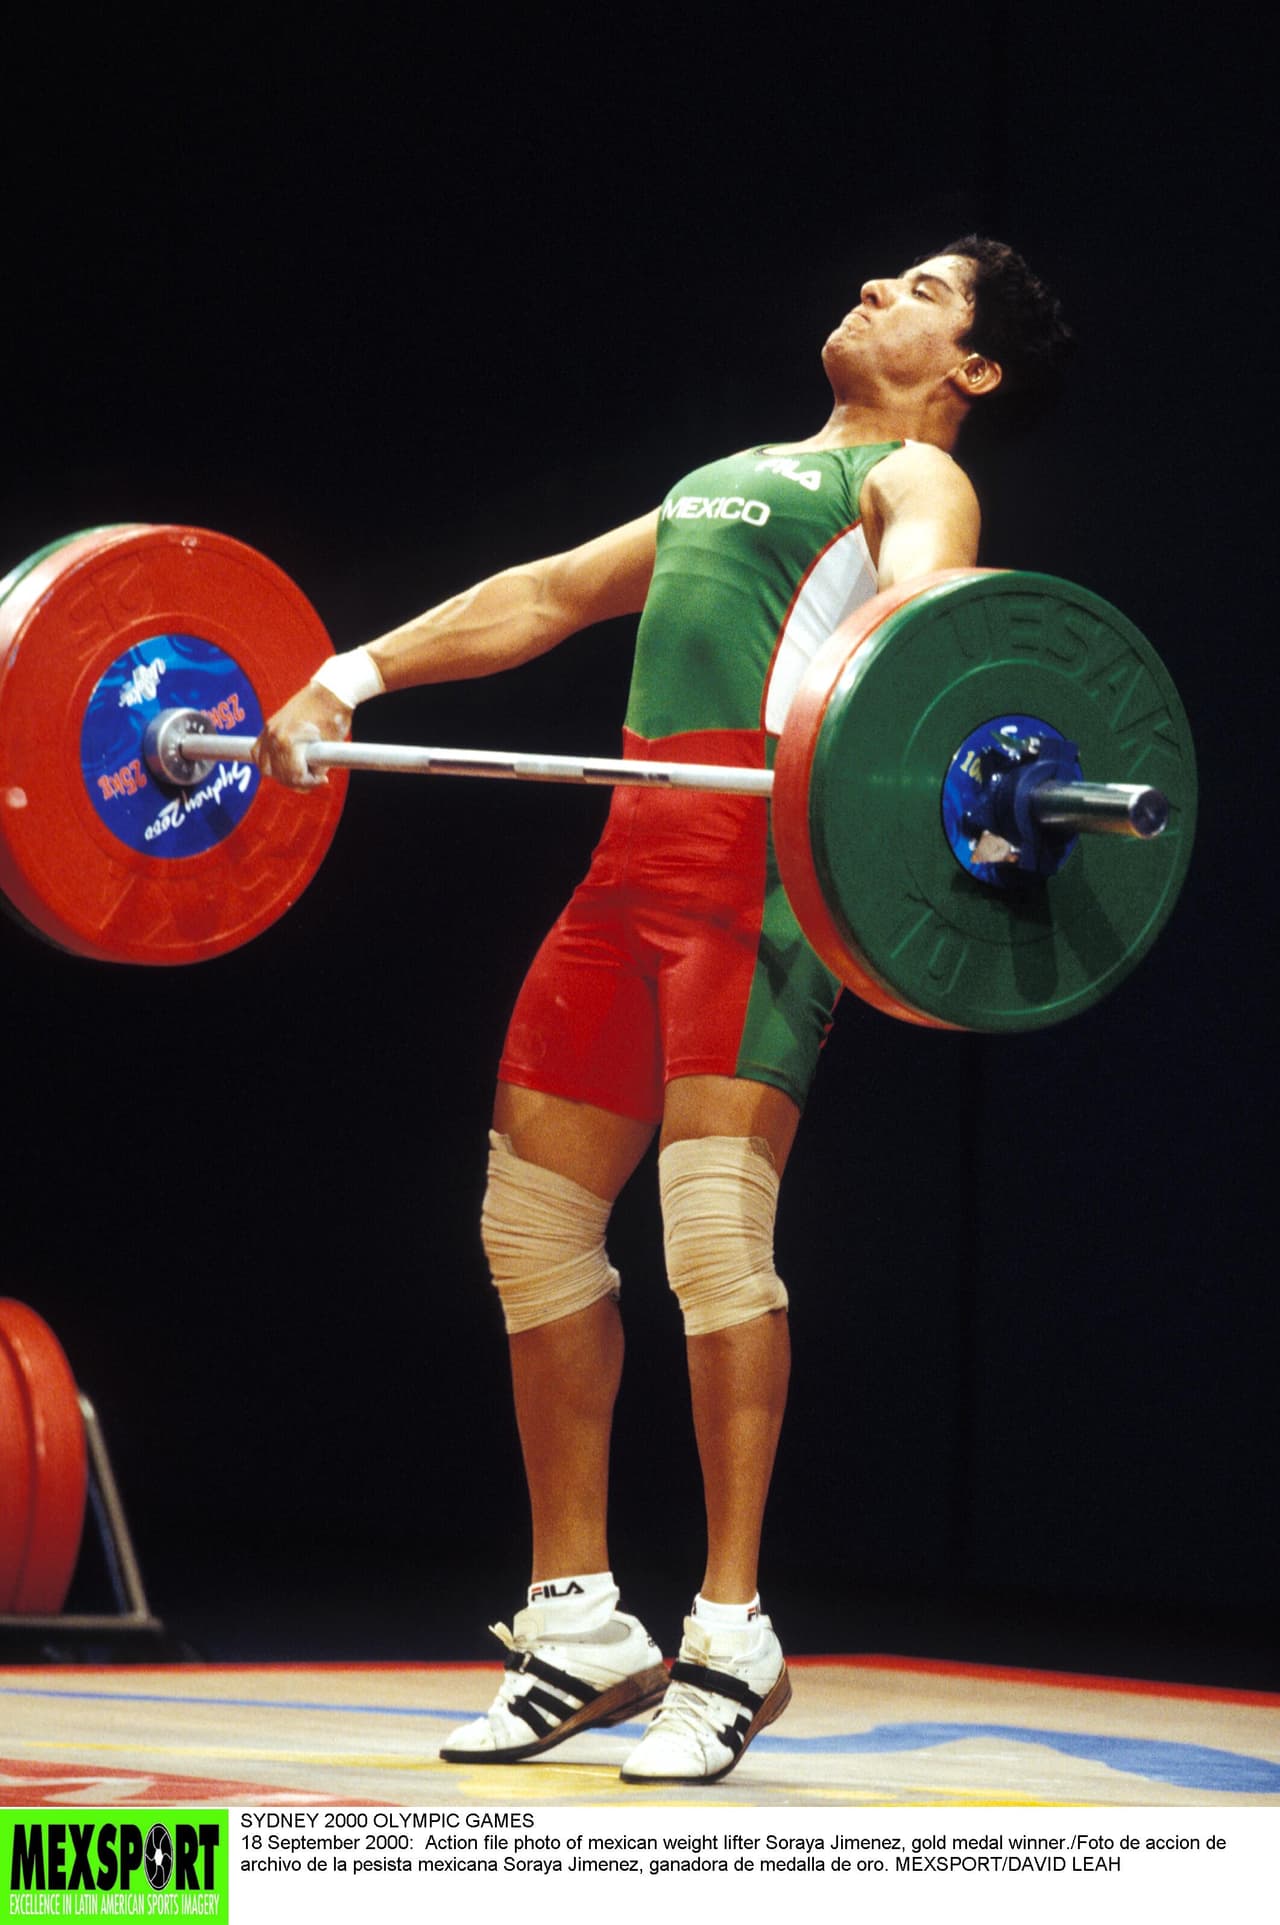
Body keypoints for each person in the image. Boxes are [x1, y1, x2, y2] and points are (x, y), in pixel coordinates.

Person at [257, 236, 1073, 1785]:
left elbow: (919, 639)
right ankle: (577, 1624)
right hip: (626, 877)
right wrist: (345, 676)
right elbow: (552, 593)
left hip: (763, 883)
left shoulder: (916, 488)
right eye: (887, 273)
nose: (879, 288)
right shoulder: (733, 475)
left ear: (974, 370)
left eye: (926, 291)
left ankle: (731, 1630)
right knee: (530, 1229)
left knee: (711, 1241)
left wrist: (906, 735)